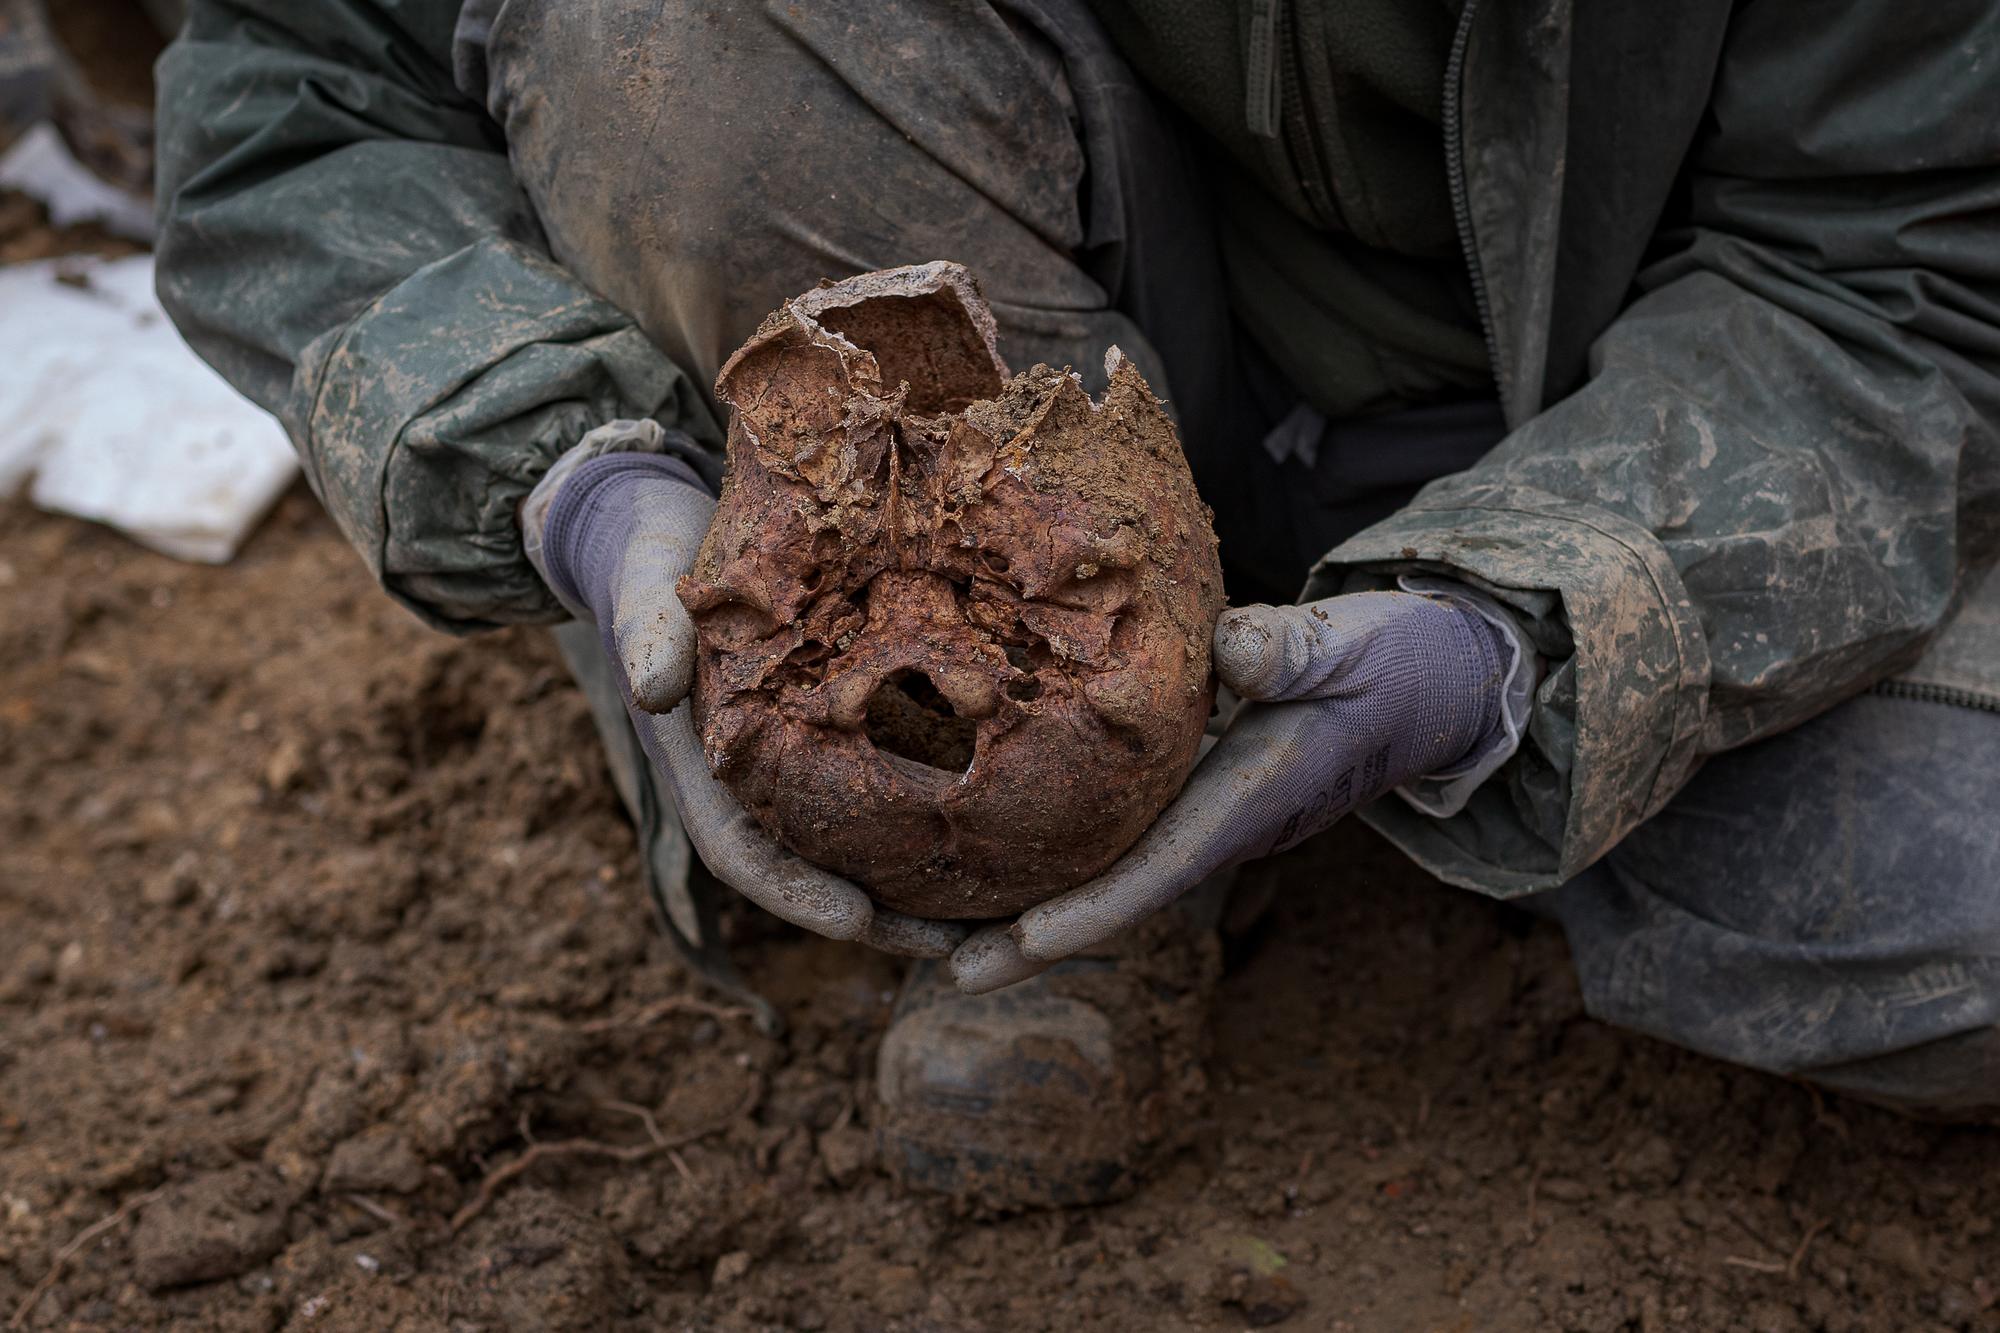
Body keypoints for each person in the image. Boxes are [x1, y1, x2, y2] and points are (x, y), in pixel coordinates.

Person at [153, 0, 2000, 1209]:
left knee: (1951, 911)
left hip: (1631, 406)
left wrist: (1527, 622)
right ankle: (1031, 889)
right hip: (1000, 279)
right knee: (670, 35)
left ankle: (1463, 725)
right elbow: (292, 98)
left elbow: (1900, 280)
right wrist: (574, 473)